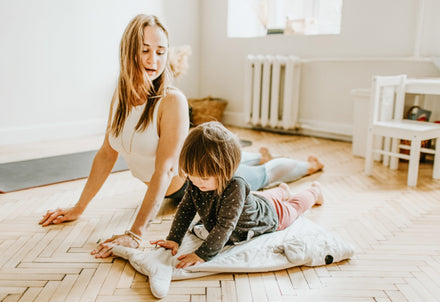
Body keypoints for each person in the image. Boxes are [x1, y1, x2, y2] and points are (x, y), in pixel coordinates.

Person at [38, 14, 323, 257]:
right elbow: (106, 154)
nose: (153, 59)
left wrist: (136, 233)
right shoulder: (120, 96)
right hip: (182, 187)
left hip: (204, 183)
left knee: (262, 175)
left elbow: (164, 170)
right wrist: (79, 207)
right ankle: (257, 157)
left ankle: (308, 167)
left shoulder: (171, 100)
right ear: (128, 50)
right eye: (145, 49)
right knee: (252, 168)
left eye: (161, 51)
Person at [151, 122, 324, 268]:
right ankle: (283, 190)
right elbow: (186, 209)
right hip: (255, 201)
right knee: (263, 197)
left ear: (226, 170)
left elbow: (225, 226)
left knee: (294, 207)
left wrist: (202, 255)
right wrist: (174, 238)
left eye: (203, 177)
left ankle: (314, 192)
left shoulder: (236, 185)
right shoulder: (197, 182)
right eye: (191, 176)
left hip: (271, 215)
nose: (196, 183)